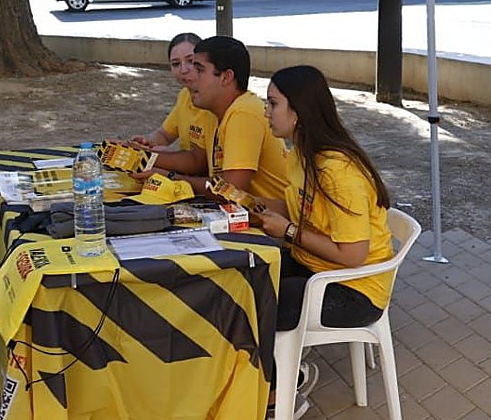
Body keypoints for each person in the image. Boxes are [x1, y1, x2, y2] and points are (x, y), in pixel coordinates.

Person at [254, 65, 395, 416]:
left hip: (355, 289)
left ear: (297, 113)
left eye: (272, 104)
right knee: (243, 276)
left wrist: (286, 231)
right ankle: (274, 379)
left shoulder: (336, 170)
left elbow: (353, 255)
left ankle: (285, 390)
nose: (266, 112)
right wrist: (241, 200)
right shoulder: (300, 154)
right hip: (315, 267)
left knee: (258, 304)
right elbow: (290, 207)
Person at [147, 35, 289, 202]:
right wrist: (141, 155)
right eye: (176, 64)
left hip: (270, 221)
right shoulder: (213, 111)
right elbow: (195, 160)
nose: (191, 76)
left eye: (199, 70)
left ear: (226, 77)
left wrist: (169, 177)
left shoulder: (244, 113)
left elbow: (229, 191)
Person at [125, 32, 218, 153]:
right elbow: (165, 134)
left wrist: (166, 155)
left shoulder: (215, 100)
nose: (183, 70)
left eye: (191, 61)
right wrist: (148, 142)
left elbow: (201, 162)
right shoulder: (185, 95)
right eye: (176, 64)